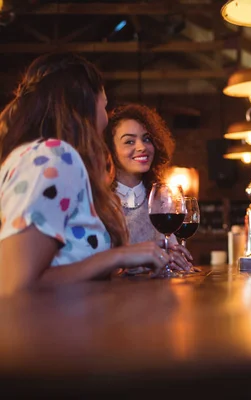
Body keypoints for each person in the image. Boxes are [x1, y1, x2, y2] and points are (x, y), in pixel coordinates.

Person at [0, 52, 181, 296]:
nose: (105, 119)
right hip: (51, 332)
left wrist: (136, 256)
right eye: (104, 105)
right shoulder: (55, 156)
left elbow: (66, 264)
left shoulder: (30, 155)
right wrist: (118, 256)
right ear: (83, 105)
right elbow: (16, 284)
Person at [104, 103, 192, 272]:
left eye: (146, 139)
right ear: (110, 151)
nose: (141, 147)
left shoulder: (160, 201)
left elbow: (170, 257)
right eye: (129, 141)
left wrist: (175, 261)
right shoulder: (99, 202)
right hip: (112, 297)